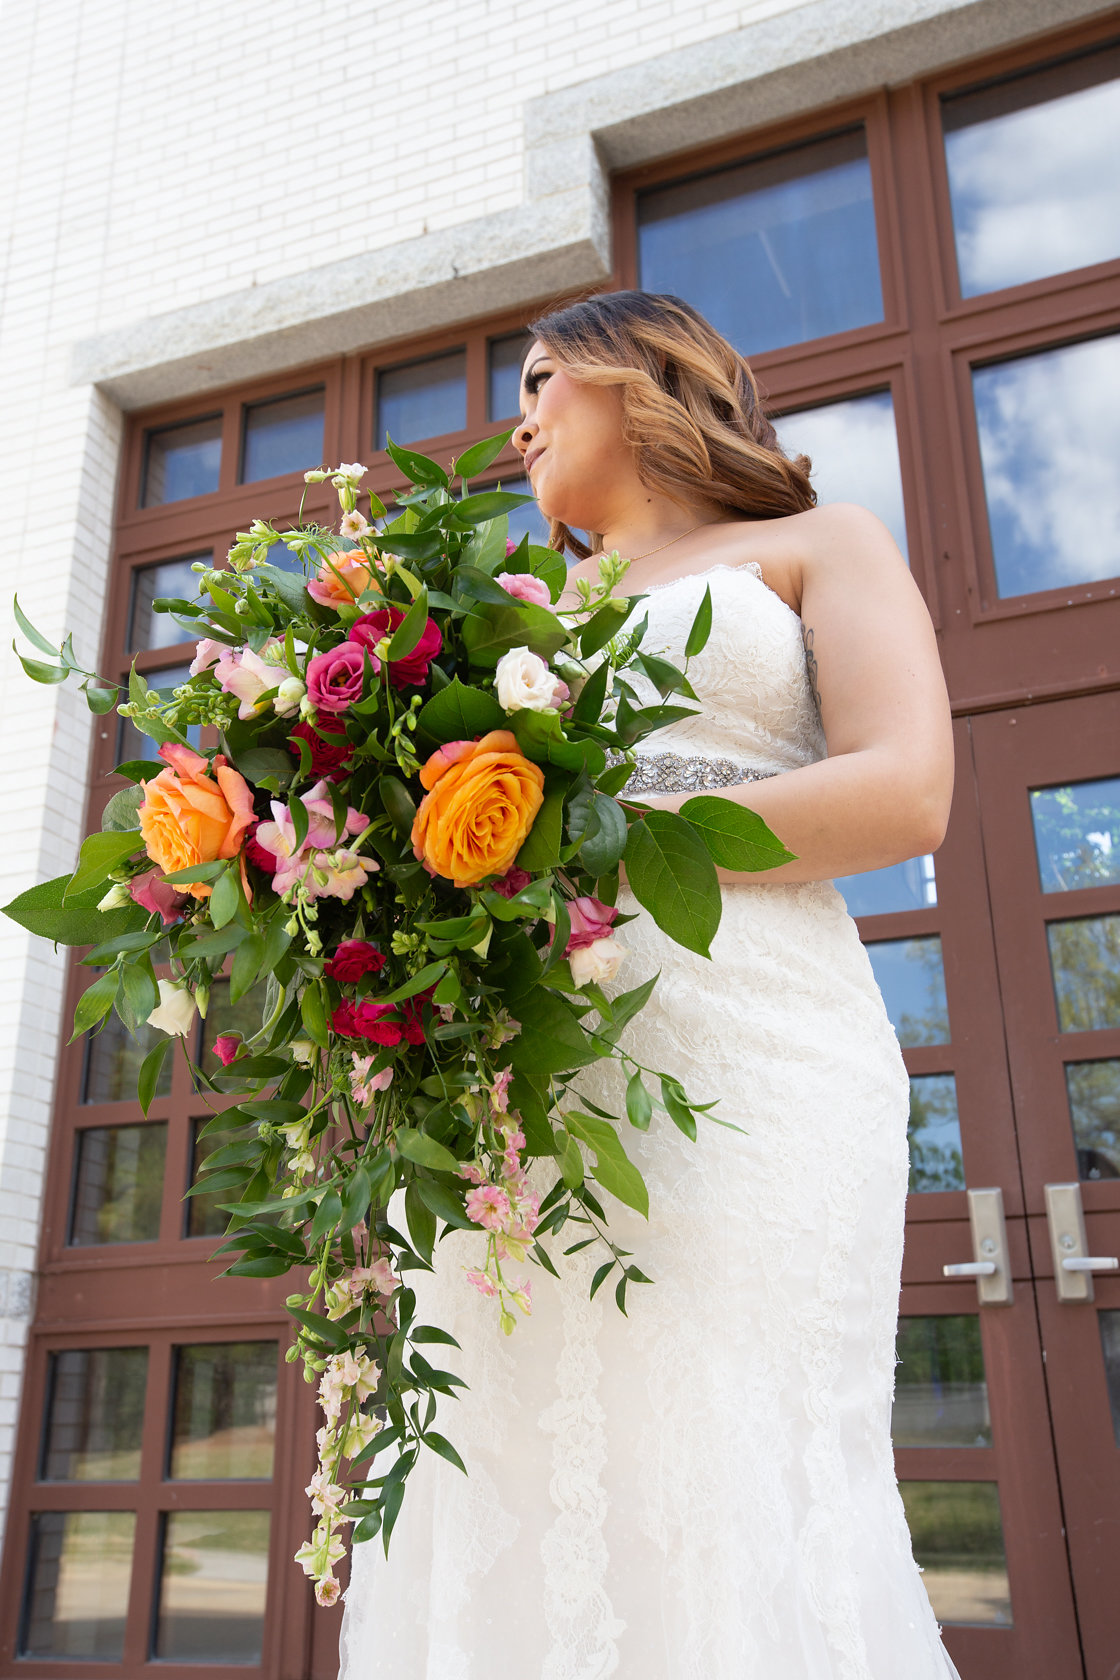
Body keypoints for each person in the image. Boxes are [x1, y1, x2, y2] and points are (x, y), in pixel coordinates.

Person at [340, 291, 961, 1679]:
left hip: (757, 1061)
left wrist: (606, 839)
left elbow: (908, 788)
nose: (516, 417)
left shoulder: (816, 544)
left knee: (732, 1431)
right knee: (502, 1443)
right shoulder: (499, 620)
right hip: (525, 1081)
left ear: (644, 377)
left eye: (545, 376)